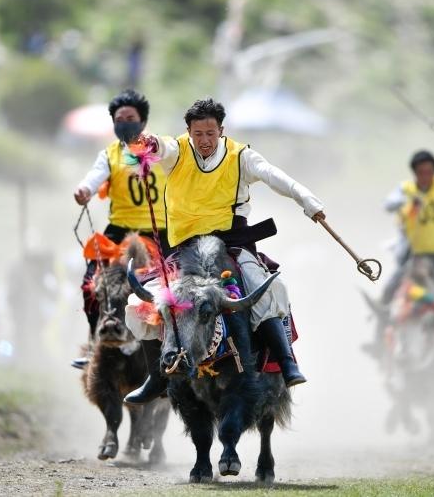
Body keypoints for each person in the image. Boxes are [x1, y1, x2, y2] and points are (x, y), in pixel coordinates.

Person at [123, 98, 325, 405]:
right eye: (197, 133)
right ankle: (156, 375)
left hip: (232, 244)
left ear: (221, 130)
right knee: (138, 303)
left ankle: (286, 363)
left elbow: (274, 176)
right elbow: (161, 146)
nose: (204, 140)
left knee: (270, 288)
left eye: (210, 133)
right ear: (188, 131)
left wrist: (308, 201)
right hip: (183, 250)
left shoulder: (242, 156)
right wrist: (148, 143)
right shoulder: (176, 151)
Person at [71, 90, 167, 369]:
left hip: (158, 232)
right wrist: (84, 190)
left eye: (130, 118)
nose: (125, 123)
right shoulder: (109, 154)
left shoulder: (163, 149)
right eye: (119, 119)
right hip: (119, 232)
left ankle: (176, 347)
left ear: (143, 120)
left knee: (178, 284)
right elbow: (94, 177)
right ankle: (93, 341)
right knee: (91, 282)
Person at [363, 137, 434, 356]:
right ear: (414, 173)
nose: (425, 176)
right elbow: (388, 204)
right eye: (421, 172)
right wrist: (407, 202)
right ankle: (378, 343)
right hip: (412, 256)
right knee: (387, 293)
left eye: (429, 171)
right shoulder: (405, 190)